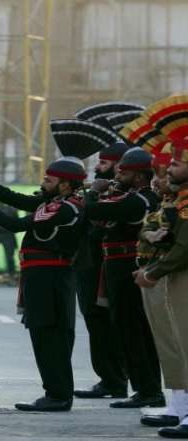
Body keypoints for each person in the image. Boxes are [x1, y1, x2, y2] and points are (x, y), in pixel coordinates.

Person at [0, 155, 85, 412]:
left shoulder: (65, 208)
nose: (43, 183)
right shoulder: (54, 202)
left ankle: (58, 395)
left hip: (50, 277)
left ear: (65, 185)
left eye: (49, 180)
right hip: (42, 276)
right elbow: (12, 197)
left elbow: (15, 225)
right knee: (45, 334)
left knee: (49, 335)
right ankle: (56, 392)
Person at [84, 147, 164, 409]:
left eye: (123, 172)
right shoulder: (136, 197)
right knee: (133, 329)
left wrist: (95, 191)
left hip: (125, 265)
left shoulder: (137, 200)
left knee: (131, 329)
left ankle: (148, 390)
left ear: (139, 177)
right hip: (120, 264)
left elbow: (91, 210)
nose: (117, 175)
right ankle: (146, 388)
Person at [134, 140, 188, 438]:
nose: (161, 177)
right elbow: (149, 229)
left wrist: (153, 271)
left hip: (171, 272)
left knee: (182, 343)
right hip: (166, 272)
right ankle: (179, 405)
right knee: (172, 343)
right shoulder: (172, 201)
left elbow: (183, 246)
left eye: (171, 167)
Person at [72, 142, 129, 400]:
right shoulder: (102, 192)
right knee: (97, 325)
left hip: (103, 268)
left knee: (106, 324)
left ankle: (116, 379)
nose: (97, 168)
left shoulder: (121, 195)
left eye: (104, 163)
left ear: (119, 166)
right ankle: (110, 379)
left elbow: (89, 217)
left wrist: (93, 194)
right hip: (89, 265)